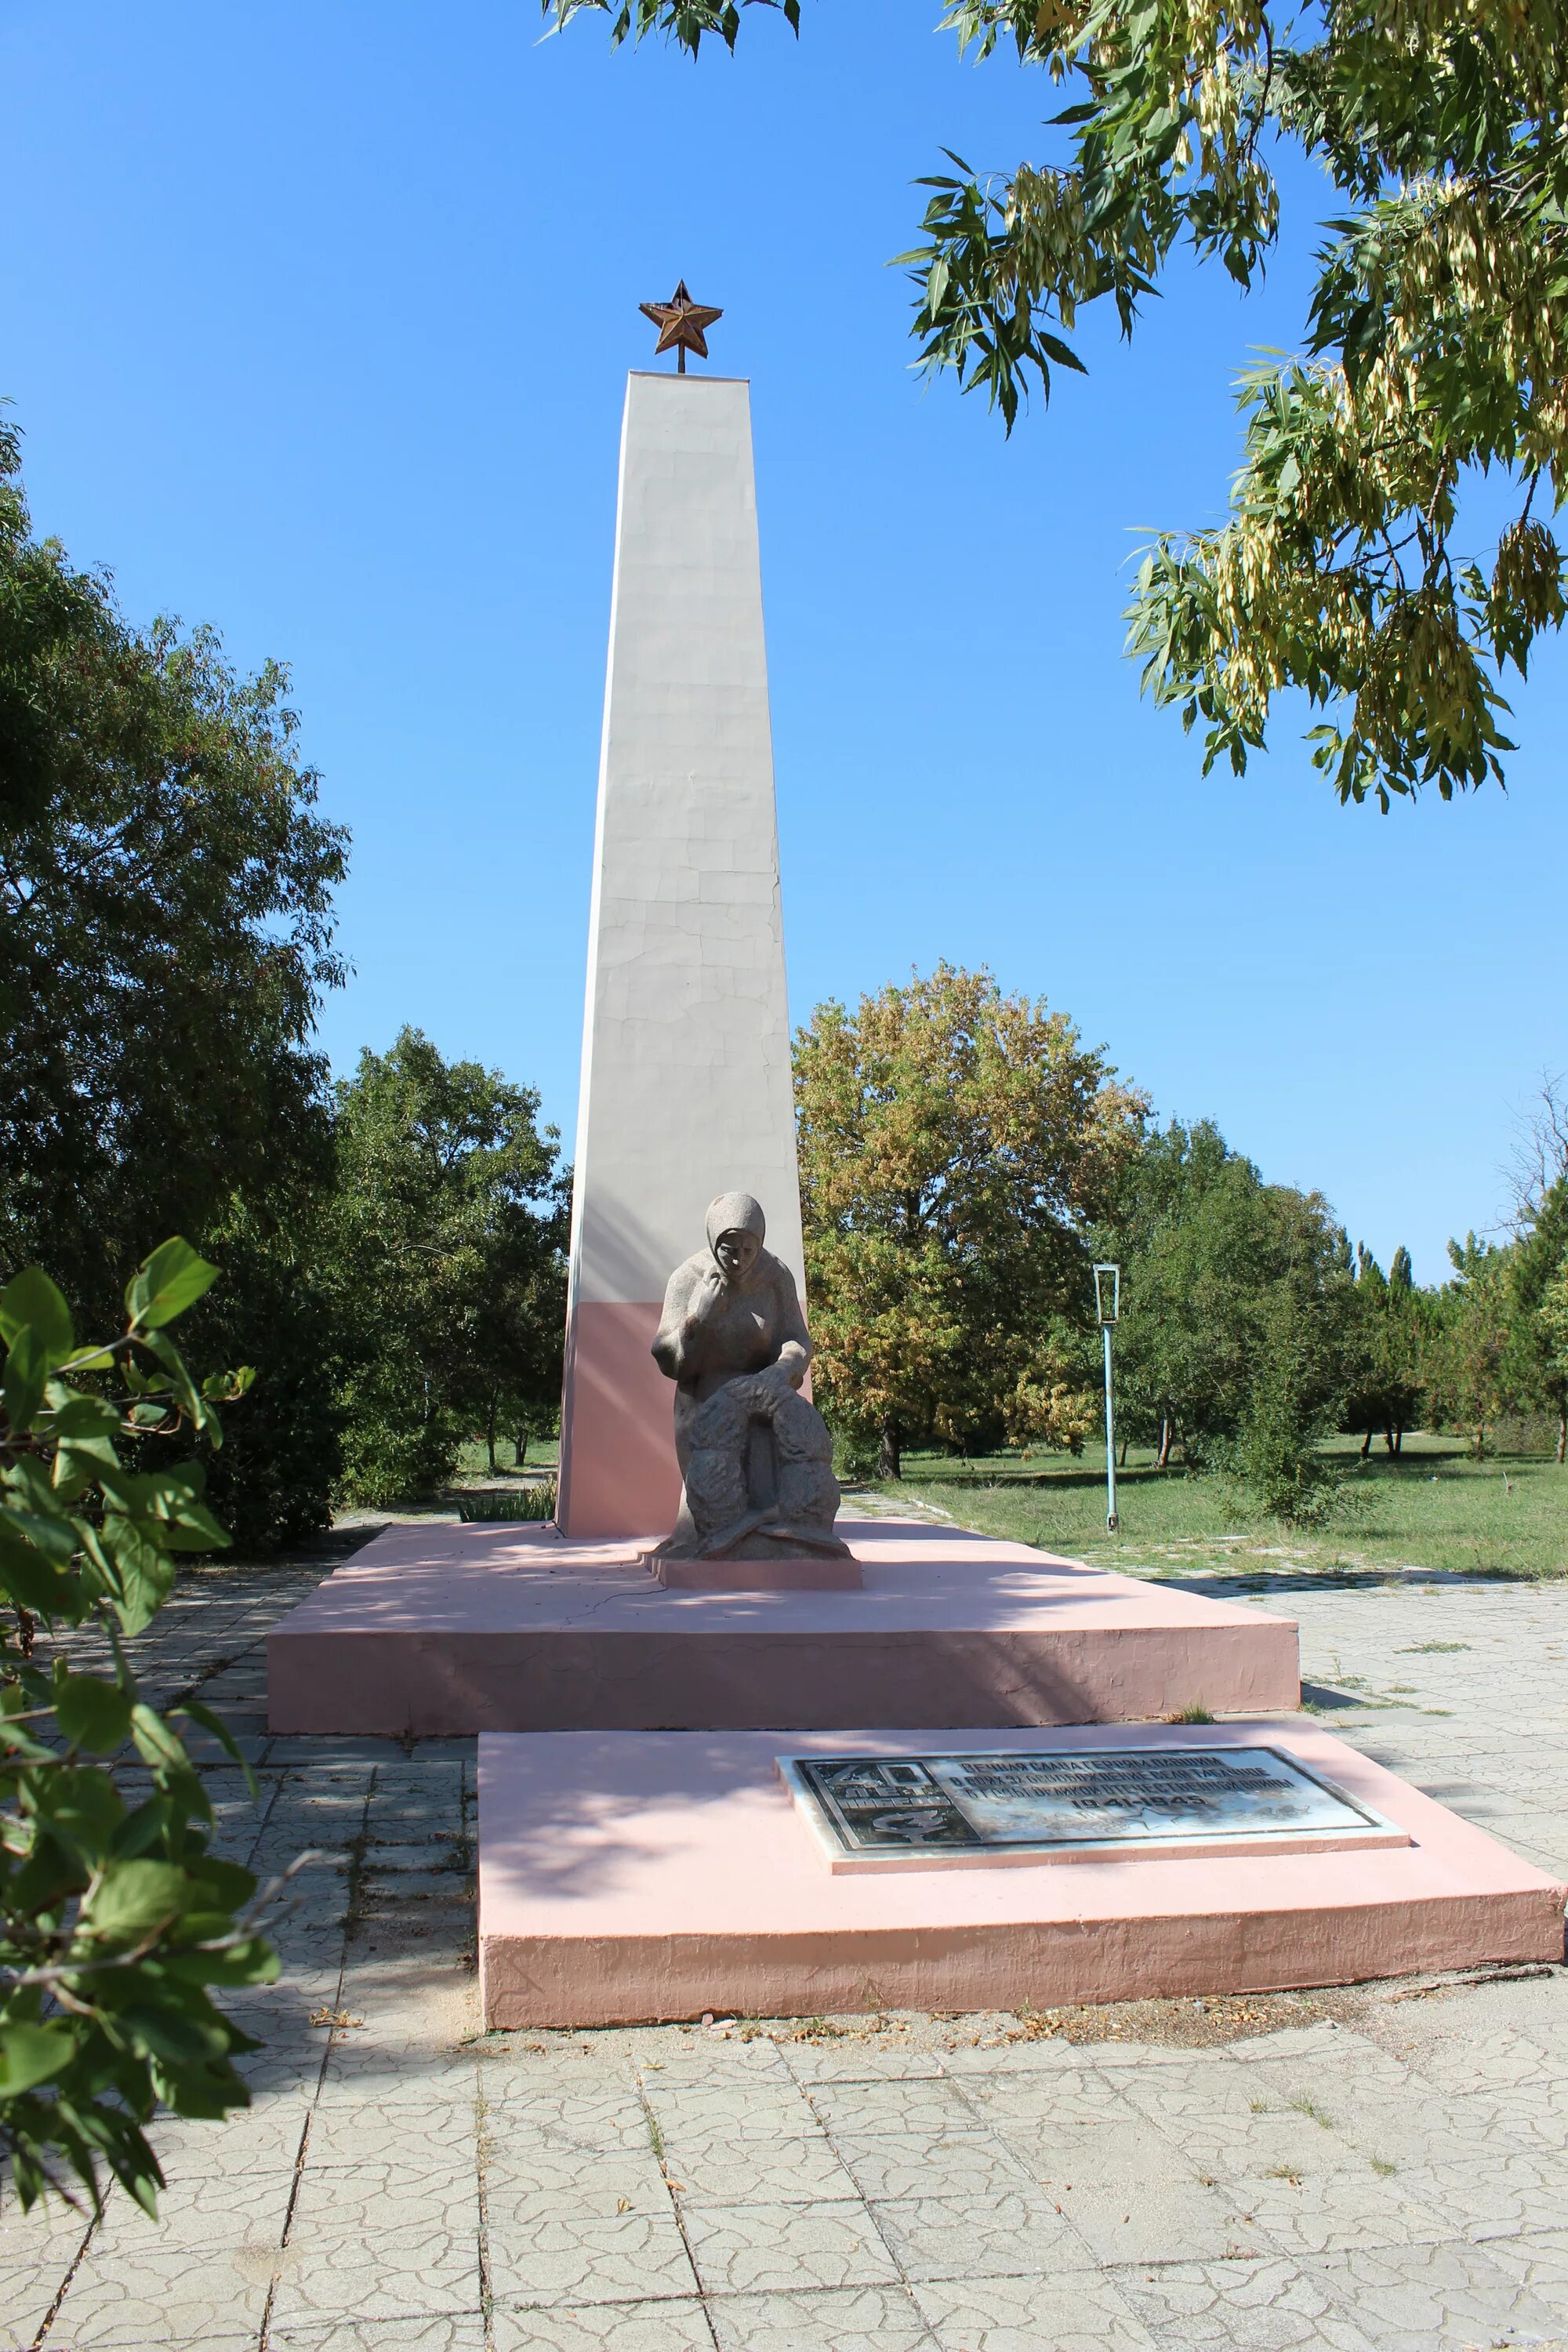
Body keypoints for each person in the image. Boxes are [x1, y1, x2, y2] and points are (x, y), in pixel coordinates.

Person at [650, 1192, 811, 1476]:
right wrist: (700, 1319)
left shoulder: (776, 1277)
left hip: (761, 1404)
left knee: (764, 1493)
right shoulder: (688, 1277)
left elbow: (796, 1339)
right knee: (710, 1497)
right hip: (702, 1405)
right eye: (730, 1250)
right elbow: (665, 1353)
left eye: (749, 1250)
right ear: (714, 1242)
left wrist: (781, 1371)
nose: (740, 1261)